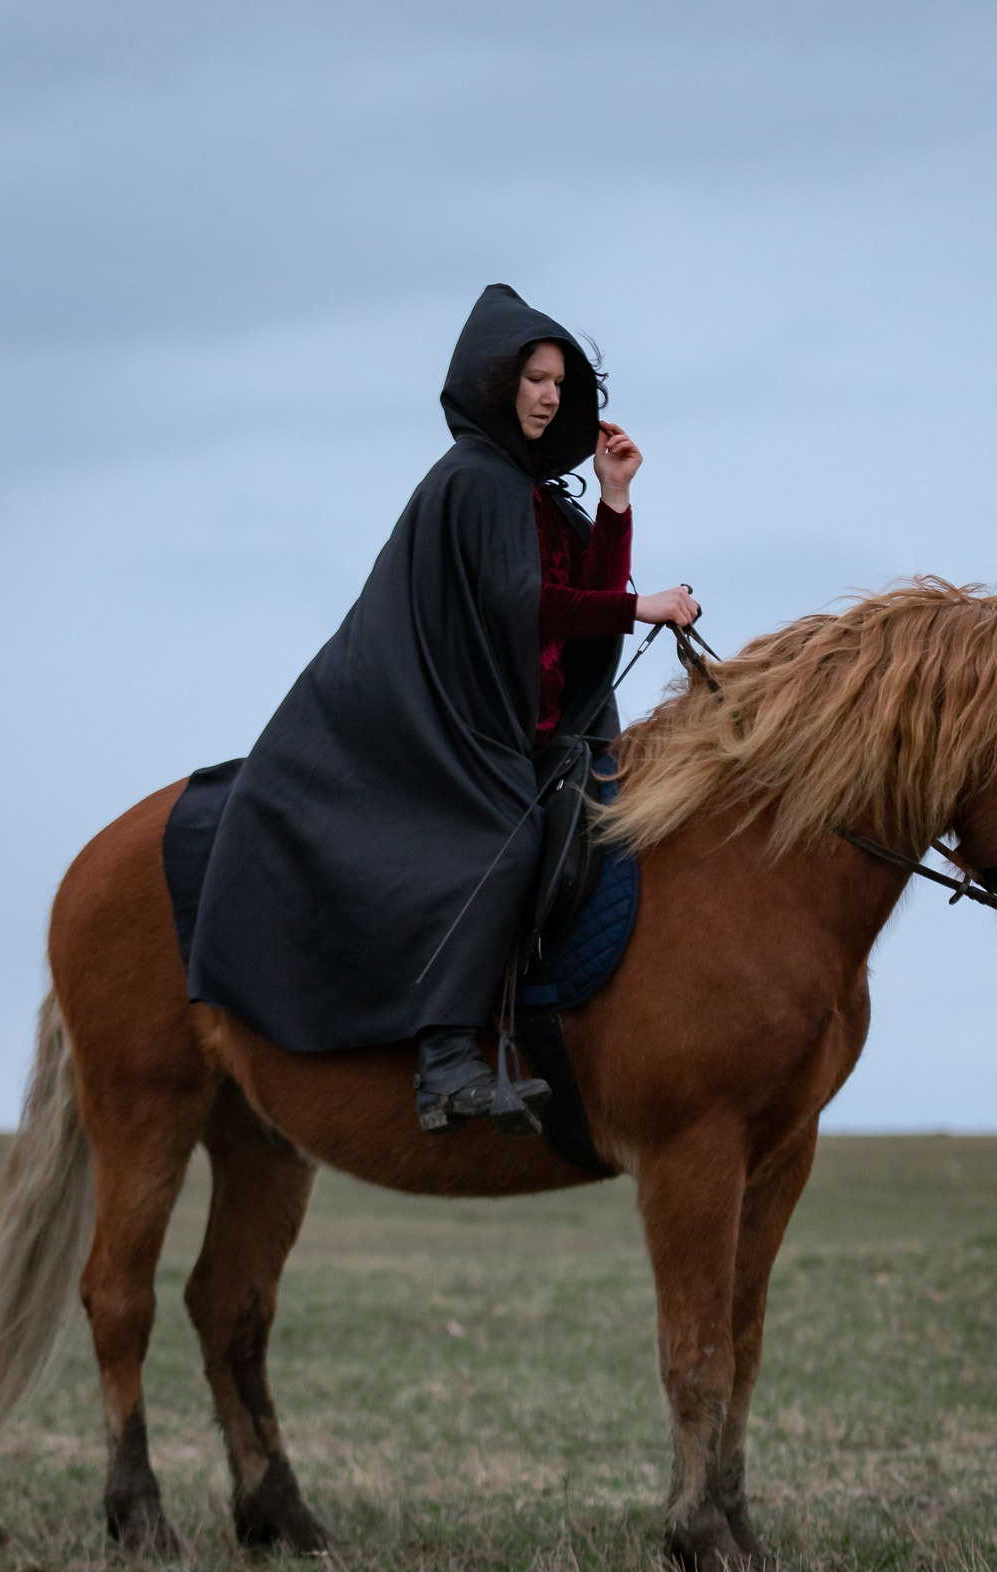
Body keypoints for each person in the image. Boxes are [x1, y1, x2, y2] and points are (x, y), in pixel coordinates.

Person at [179, 285, 698, 1134]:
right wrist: (640, 608)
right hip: (446, 726)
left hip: (513, 723)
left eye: (559, 383)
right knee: (507, 841)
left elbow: (584, 598)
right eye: (534, 377)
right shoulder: (476, 481)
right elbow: (526, 603)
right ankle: (447, 1060)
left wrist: (613, 498)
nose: (548, 396)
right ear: (498, 383)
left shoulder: (534, 495)